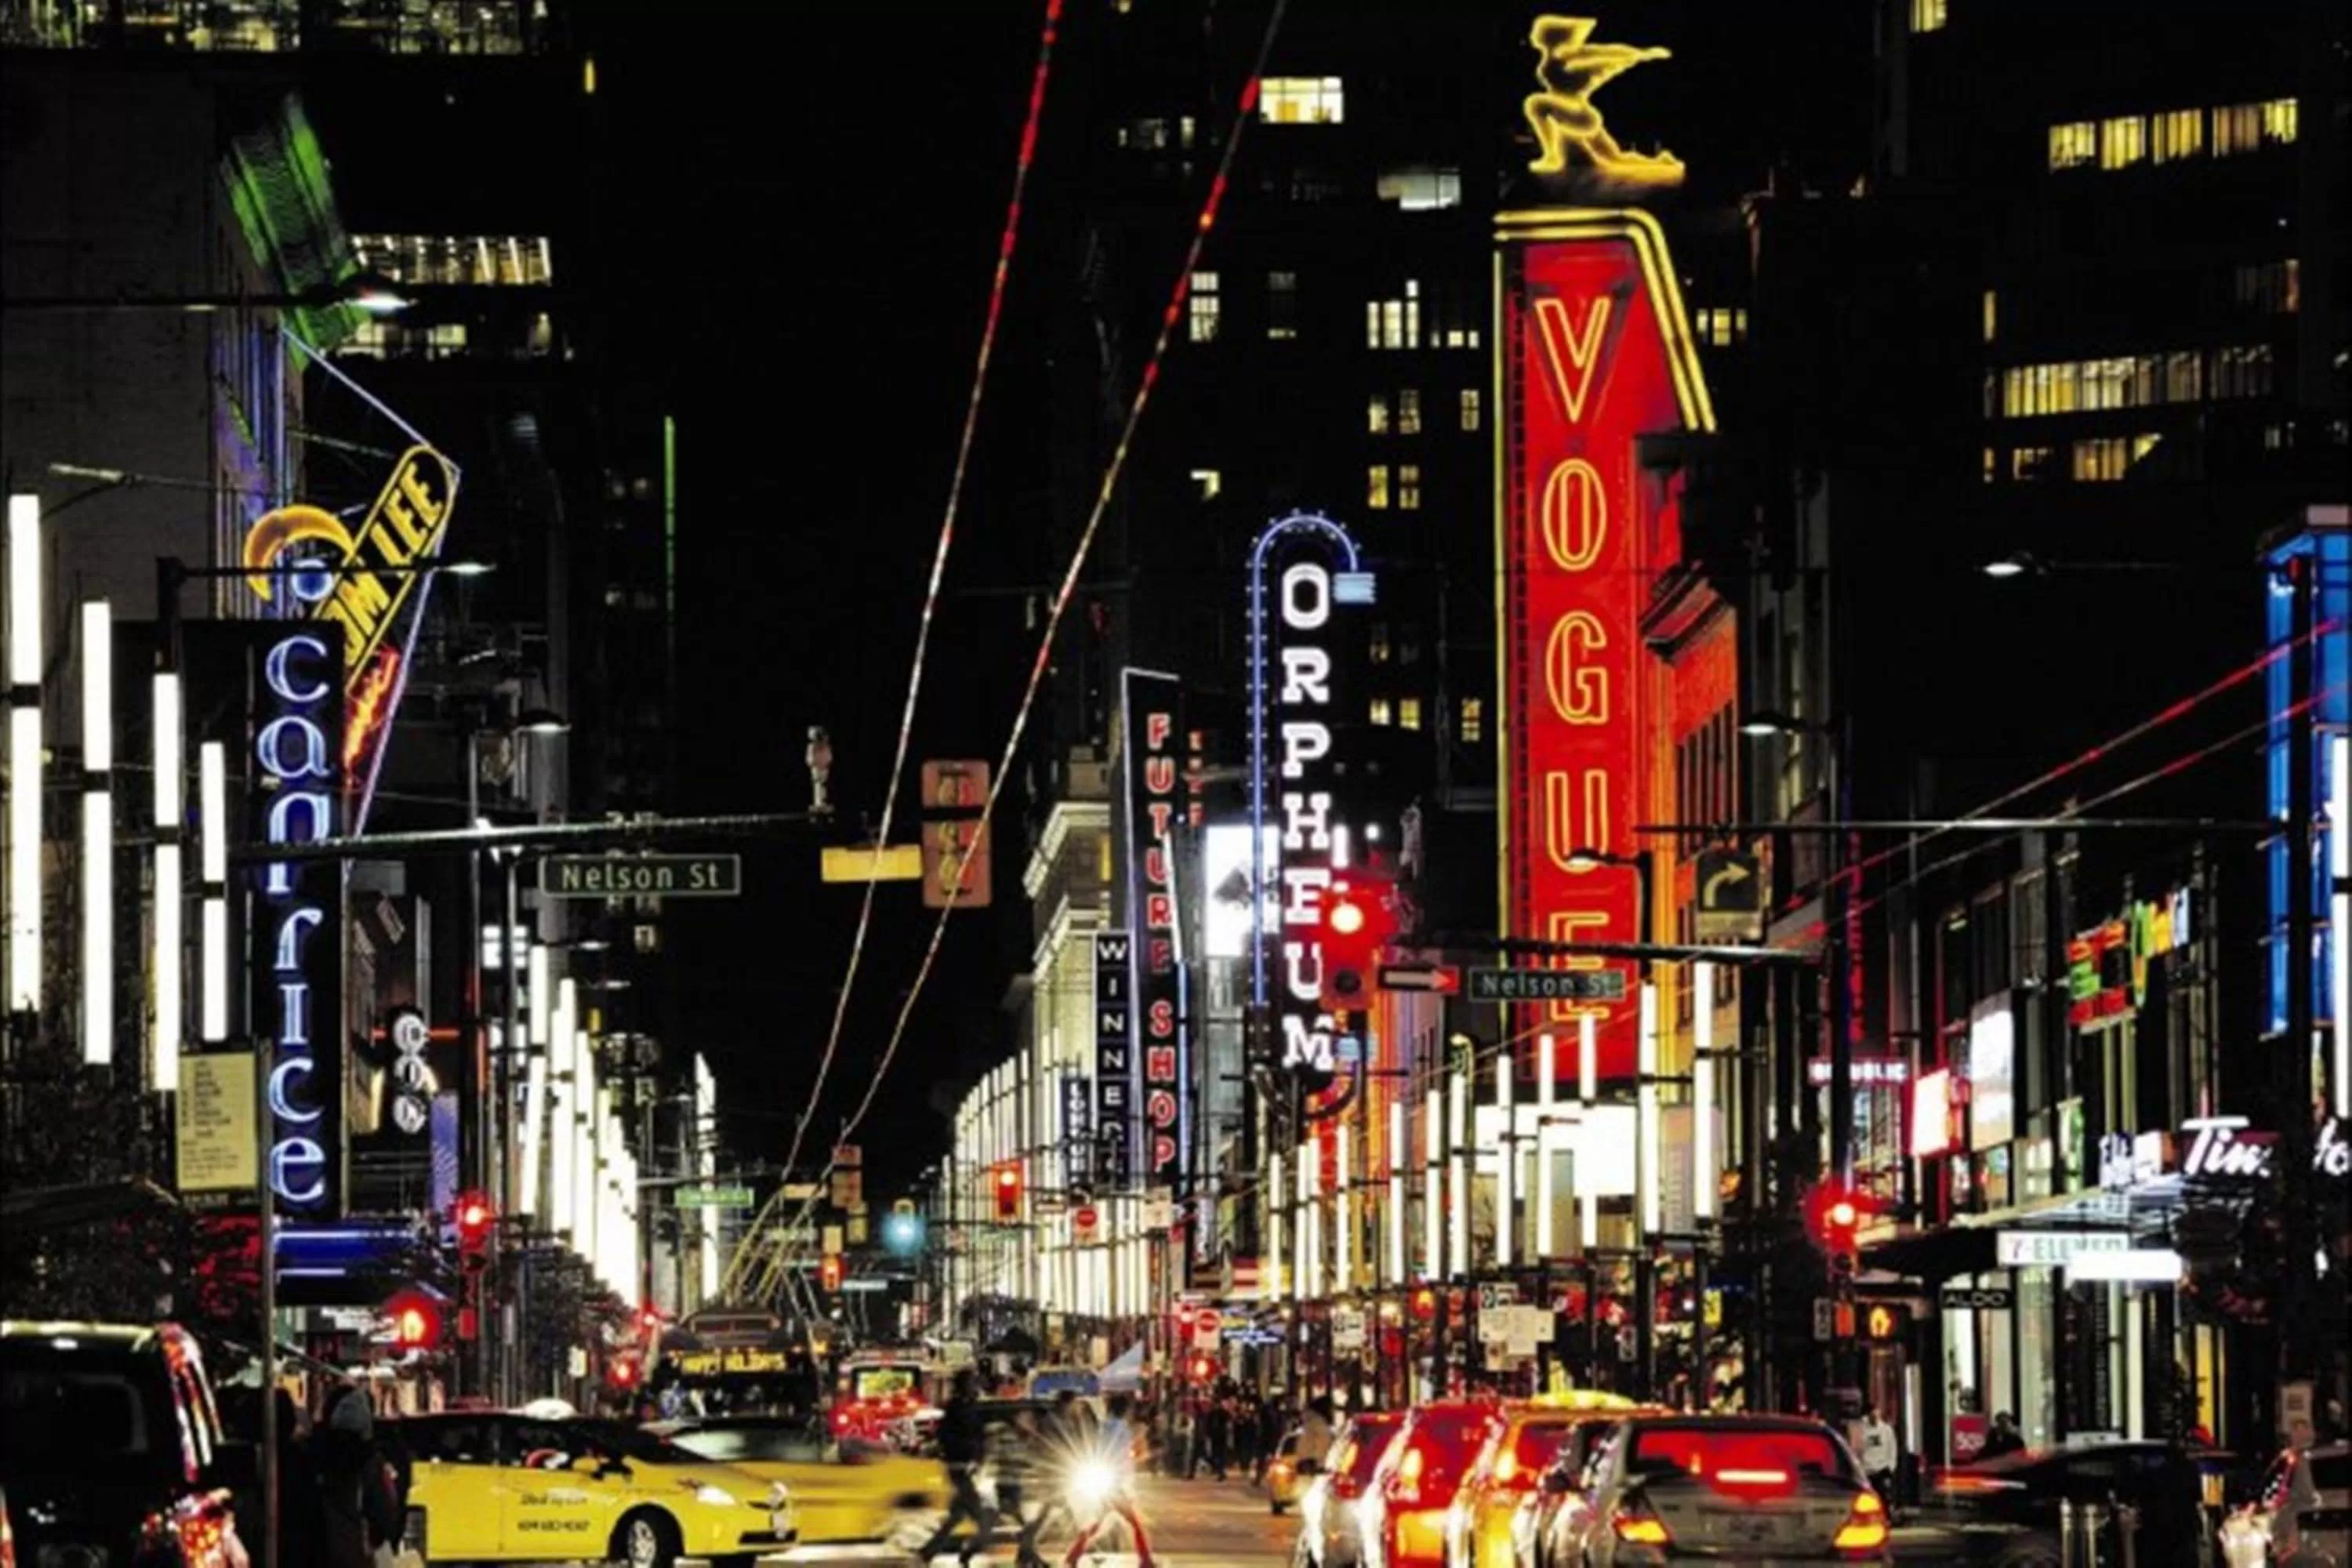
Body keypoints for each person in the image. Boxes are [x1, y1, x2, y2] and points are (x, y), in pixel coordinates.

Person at [1063, 1392, 1156, 1568]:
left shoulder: (1104, 1428)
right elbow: (1123, 1457)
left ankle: (1073, 1557)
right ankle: (1146, 1561)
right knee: (1135, 1523)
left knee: (1096, 1524)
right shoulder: (1122, 1430)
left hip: (1107, 1482)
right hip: (1115, 1485)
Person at [916, 1370, 996, 1564]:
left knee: (958, 1515)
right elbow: (948, 1436)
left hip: (964, 1466)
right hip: (959, 1467)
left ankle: (928, 1552)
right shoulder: (958, 1408)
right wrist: (967, 1453)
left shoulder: (969, 1406)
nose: (975, 1386)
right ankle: (968, 1553)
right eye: (972, 1382)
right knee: (984, 1517)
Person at [1857, 1406, 1898, 1497]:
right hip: (1866, 1471)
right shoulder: (1861, 1429)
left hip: (1882, 1470)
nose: (1875, 1418)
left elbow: (1892, 1449)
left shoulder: (1886, 1430)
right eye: (1872, 1416)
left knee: (1883, 1497)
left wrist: (1890, 1467)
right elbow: (1857, 1450)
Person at [1298, 1396, 1337, 1472]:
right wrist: (1321, 1464)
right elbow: (1322, 1444)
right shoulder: (1318, 1424)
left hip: (1305, 1460)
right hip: (1314, 1463)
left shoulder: (1309, 1422)